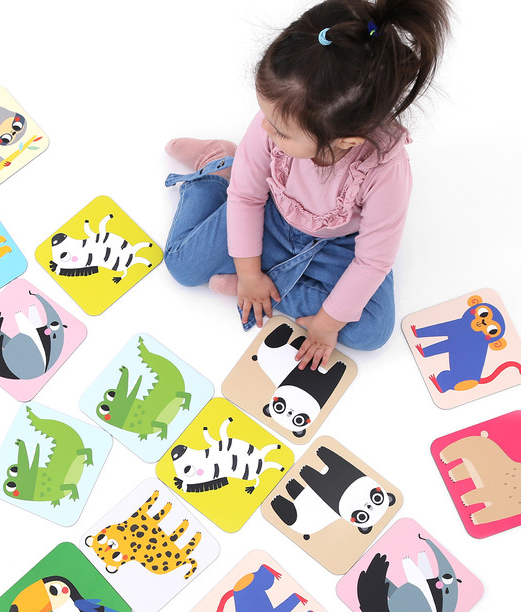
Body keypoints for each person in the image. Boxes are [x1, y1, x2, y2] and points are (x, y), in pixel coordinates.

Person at [163, 0, 451, 369]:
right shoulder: (274, 122)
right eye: (266, 116)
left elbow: (372, 261)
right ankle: (217, 168)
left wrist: (327, 324)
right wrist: (248, 274)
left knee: (372, 332)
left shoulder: (386, 172)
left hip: (340, 244)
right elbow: (247, 197)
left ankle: (265, 280)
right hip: (273, 214)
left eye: (281, 131)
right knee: (182, 266)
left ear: (345, 140)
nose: (263, 128)